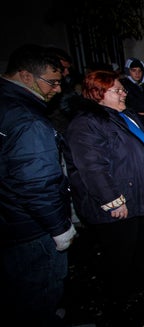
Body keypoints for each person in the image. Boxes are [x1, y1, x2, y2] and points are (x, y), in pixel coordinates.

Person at [63, 70, 144, 322]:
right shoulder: (86, 122)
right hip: (119, 204)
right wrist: (113, 200)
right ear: (98, 93)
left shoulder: (123, 115)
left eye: (123, 89)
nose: (124, 93)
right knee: (119, 259)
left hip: (138, 197)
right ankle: (117, 308)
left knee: (137, 254)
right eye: (117, 90)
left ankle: (135, 300)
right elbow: (91, 166)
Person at [0, 44, 77, 326]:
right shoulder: (27, 120)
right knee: (39, 294)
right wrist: (59, 227)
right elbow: (38, 183)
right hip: (30, 229)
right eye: (53, 82)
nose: (57, 89)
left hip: (10, 222)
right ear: (26, 76)